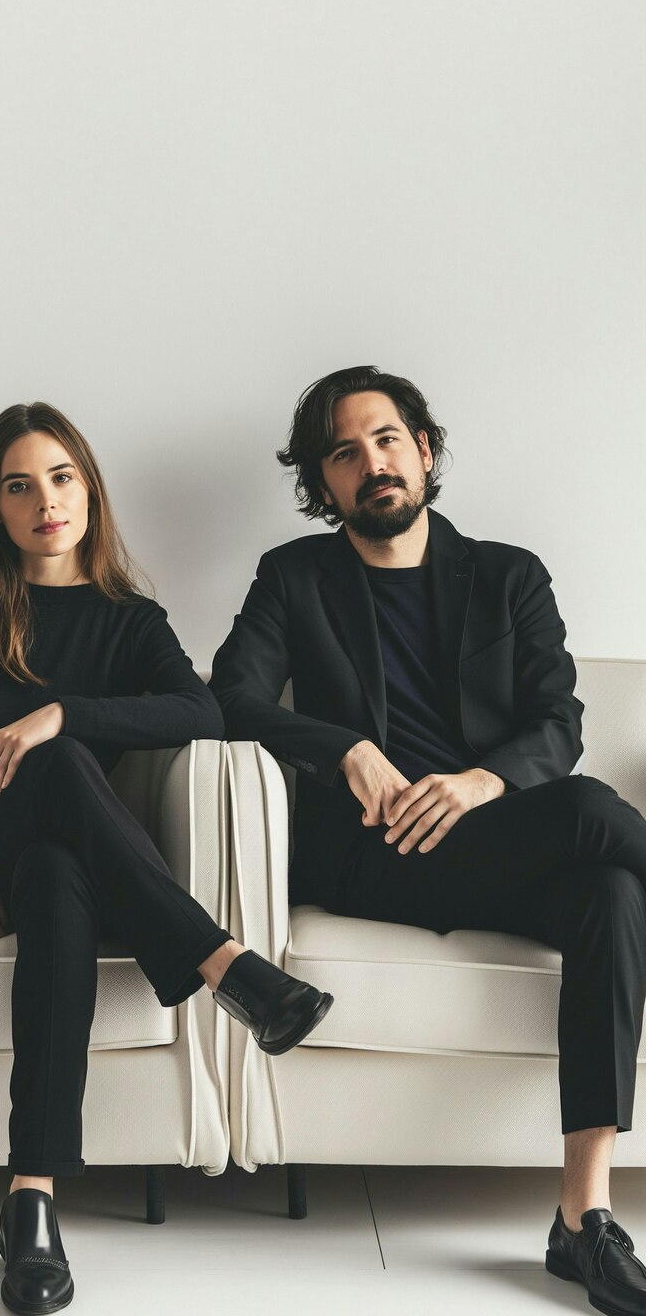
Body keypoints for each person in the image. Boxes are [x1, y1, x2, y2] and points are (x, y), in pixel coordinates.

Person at [0, 401, 333, 1316]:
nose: (45, 501)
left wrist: (62, 711)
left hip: (46, 845)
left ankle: (31, 1201)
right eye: (19, 486)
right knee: (63, 777)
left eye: (62, 478)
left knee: (61, 875)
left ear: (90, 491)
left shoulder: (128, 621)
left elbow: (205, 713)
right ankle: (226, 966)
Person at [209, 365, 646, 1316]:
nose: (372, 463)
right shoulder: (293, 578)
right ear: (322, 485)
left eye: (388, 440)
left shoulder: (509, 575)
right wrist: (347, 750)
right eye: (344, 452)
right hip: (372, 853)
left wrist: (485, 780)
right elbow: (231, 696)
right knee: (596, 812)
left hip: (496, 843)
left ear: (426, 452)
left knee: (613, 891)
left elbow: (556, 720)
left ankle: (584, 1218)